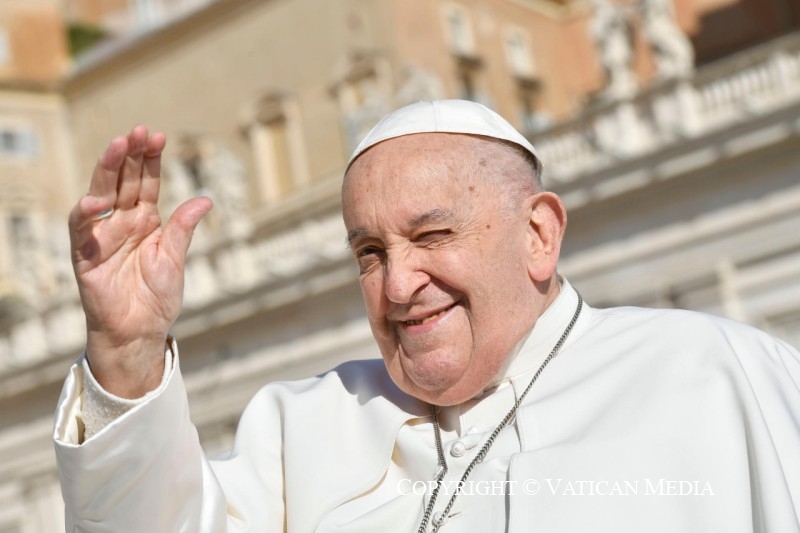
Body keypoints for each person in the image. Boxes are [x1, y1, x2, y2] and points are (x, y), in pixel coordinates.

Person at [54, 100, 800, 532]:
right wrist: (126, 346)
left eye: (432, 234)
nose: (400, 282)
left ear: (538, 233)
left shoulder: (716, 375)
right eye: (370, 252)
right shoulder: (303, 428)